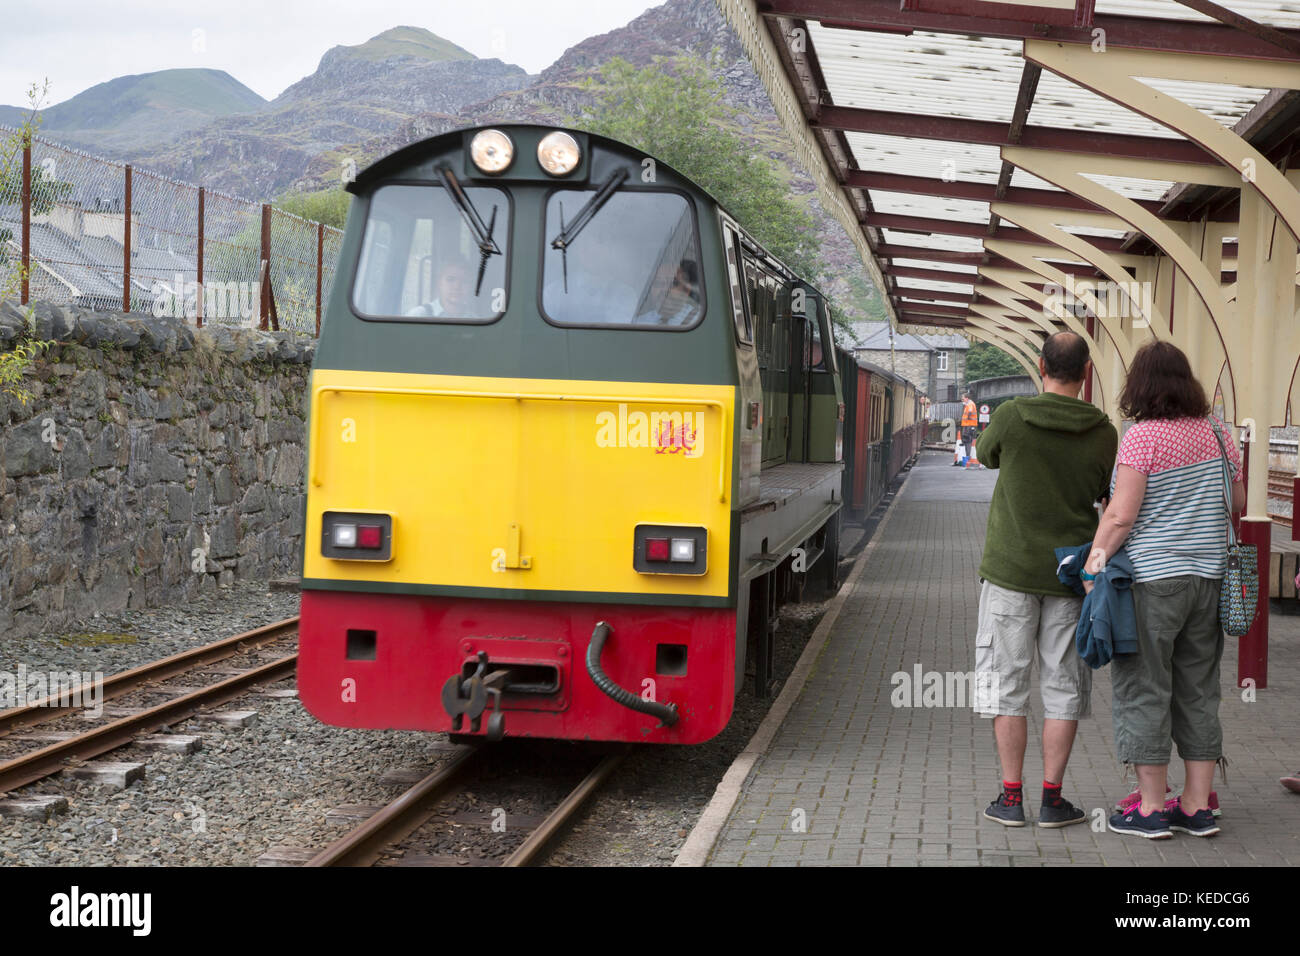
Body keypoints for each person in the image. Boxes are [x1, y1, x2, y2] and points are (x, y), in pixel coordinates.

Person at [1087, 341, 1243, 840]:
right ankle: (1197, 807)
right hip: (1210, 581)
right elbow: (1235, 504)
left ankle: (1152, 809)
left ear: (1140, 386)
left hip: (1153, 582)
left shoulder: (1142, 437)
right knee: (1199, 691)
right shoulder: (1220, 433)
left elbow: (1121, 514)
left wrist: (1095, 560)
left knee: (1143, 689)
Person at [975, 331, 1118, 828]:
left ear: (1041, 365)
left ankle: (1010, 799)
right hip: (1070, 576)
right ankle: (1052, 800)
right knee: (1063, 686)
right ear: (1085, 374)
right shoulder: (1104, 431)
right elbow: (1104, 492)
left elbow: (984, 455)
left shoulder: (1013, 416)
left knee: (1006, 684)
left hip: (1010, 573)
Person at [406, 259, 475, 318]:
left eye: (464, 281)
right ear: (439, 283)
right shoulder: (418, 316)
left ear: (470, 286)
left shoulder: (476, 321)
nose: (457, 286)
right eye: (450, 279)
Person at [960, 392, 978, 463]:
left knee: (968, 440)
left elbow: (970, 413)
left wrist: (968, 418)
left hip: (969, 425)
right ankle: (967, 456)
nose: (962, 399)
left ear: (967, 398)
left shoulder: (970, 404)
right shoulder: (969, 404)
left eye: (963, 398)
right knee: (967, 440)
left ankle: (968, 456)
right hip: (968, 425)